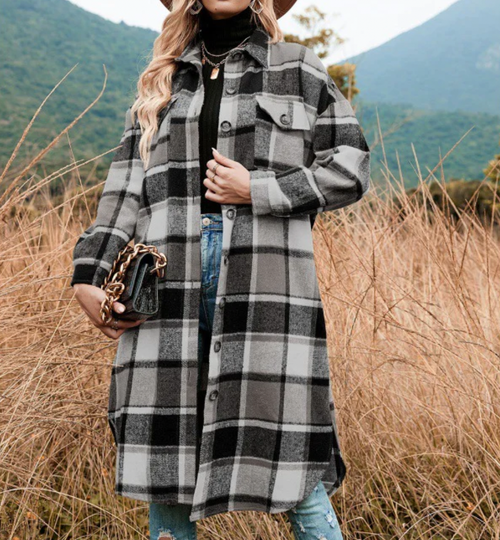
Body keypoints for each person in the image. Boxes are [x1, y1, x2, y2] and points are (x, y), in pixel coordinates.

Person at [70, 0, 371, 538]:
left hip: (267, 289)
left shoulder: (297, 67)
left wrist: (258, 188)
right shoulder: (163, 81)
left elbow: (351, 167)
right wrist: (87, 274)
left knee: (294, 467)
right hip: (166, 291)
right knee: (165, 471)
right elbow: (124, 189)